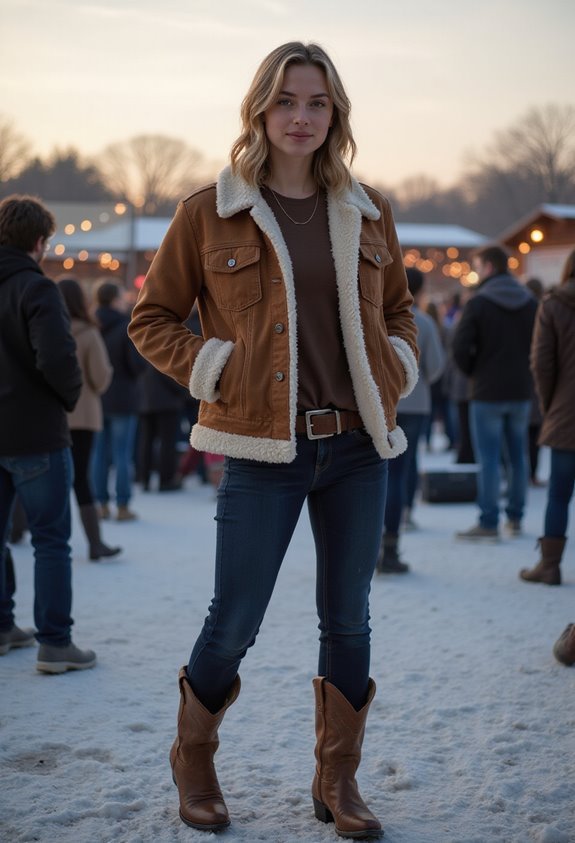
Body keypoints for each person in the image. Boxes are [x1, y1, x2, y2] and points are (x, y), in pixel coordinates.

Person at [129, 42, 418, 838]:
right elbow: (149, 320)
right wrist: (214, 365)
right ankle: (194, 756)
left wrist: (397, 361)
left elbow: (398, 310)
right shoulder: (207, 210)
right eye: (286, 100)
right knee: (235, 618)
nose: (301, 116)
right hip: (263, 450)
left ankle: (337, 779)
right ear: (260, 109)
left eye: (317, 102)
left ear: (336, 114)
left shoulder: (368, 208)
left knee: (349, 619)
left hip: (358, 446)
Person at [0, 195, 96, 672]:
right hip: (35, 431)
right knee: (51, 541)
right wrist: (68, 397)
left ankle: (2, 626)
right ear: (39, 242)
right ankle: (55, 643)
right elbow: (58, 359)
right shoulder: (37, 289)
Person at [452, 245, 537, 541]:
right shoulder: (530, 302)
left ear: (488, 267)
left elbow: (460, 347)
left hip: (486, 390)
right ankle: (516, 517)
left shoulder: (478, 303)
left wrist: (474, 371)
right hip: (521, 389)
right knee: (518, 456)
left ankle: (489, 521)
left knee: (488, 459)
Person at [378, 268, 445, 572]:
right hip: (416, 404)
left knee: (377, 472)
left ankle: (371, 544)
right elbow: (436, 367)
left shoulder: (376, 317)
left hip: (379, 404)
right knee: (402, 470)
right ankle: (393, 542)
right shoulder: (426, 323)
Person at [520, 249, 575, 586]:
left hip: (567, 413)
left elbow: (542, 363)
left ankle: (550, 565)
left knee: (559, 493)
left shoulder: (554, 304)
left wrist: (551, 404)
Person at [57, 278, 121, 560]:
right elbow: (100, 377)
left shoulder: (48, 329)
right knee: (81, 478)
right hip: (83, 416)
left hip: (53, 416)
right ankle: (95, 543)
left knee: (49, 477)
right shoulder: (88, 332)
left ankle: (20, 529)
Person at [91, 281, 145, 521]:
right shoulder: (125, 327)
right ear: (114, 299)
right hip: (123, 397)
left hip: (96, 397)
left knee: (99, 454)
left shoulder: (90, 324)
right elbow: (137, 365)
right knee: (122, 454)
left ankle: (100, 504)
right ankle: (122, 506)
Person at [137, 361, 187, 492]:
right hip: (167, 402)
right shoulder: (163, 346)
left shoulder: (142, 345)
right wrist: (185, 391)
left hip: (146, 401)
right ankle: (166, 480)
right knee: (167, 443)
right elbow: (169, 374)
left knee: (146, 442)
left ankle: (144, 478)